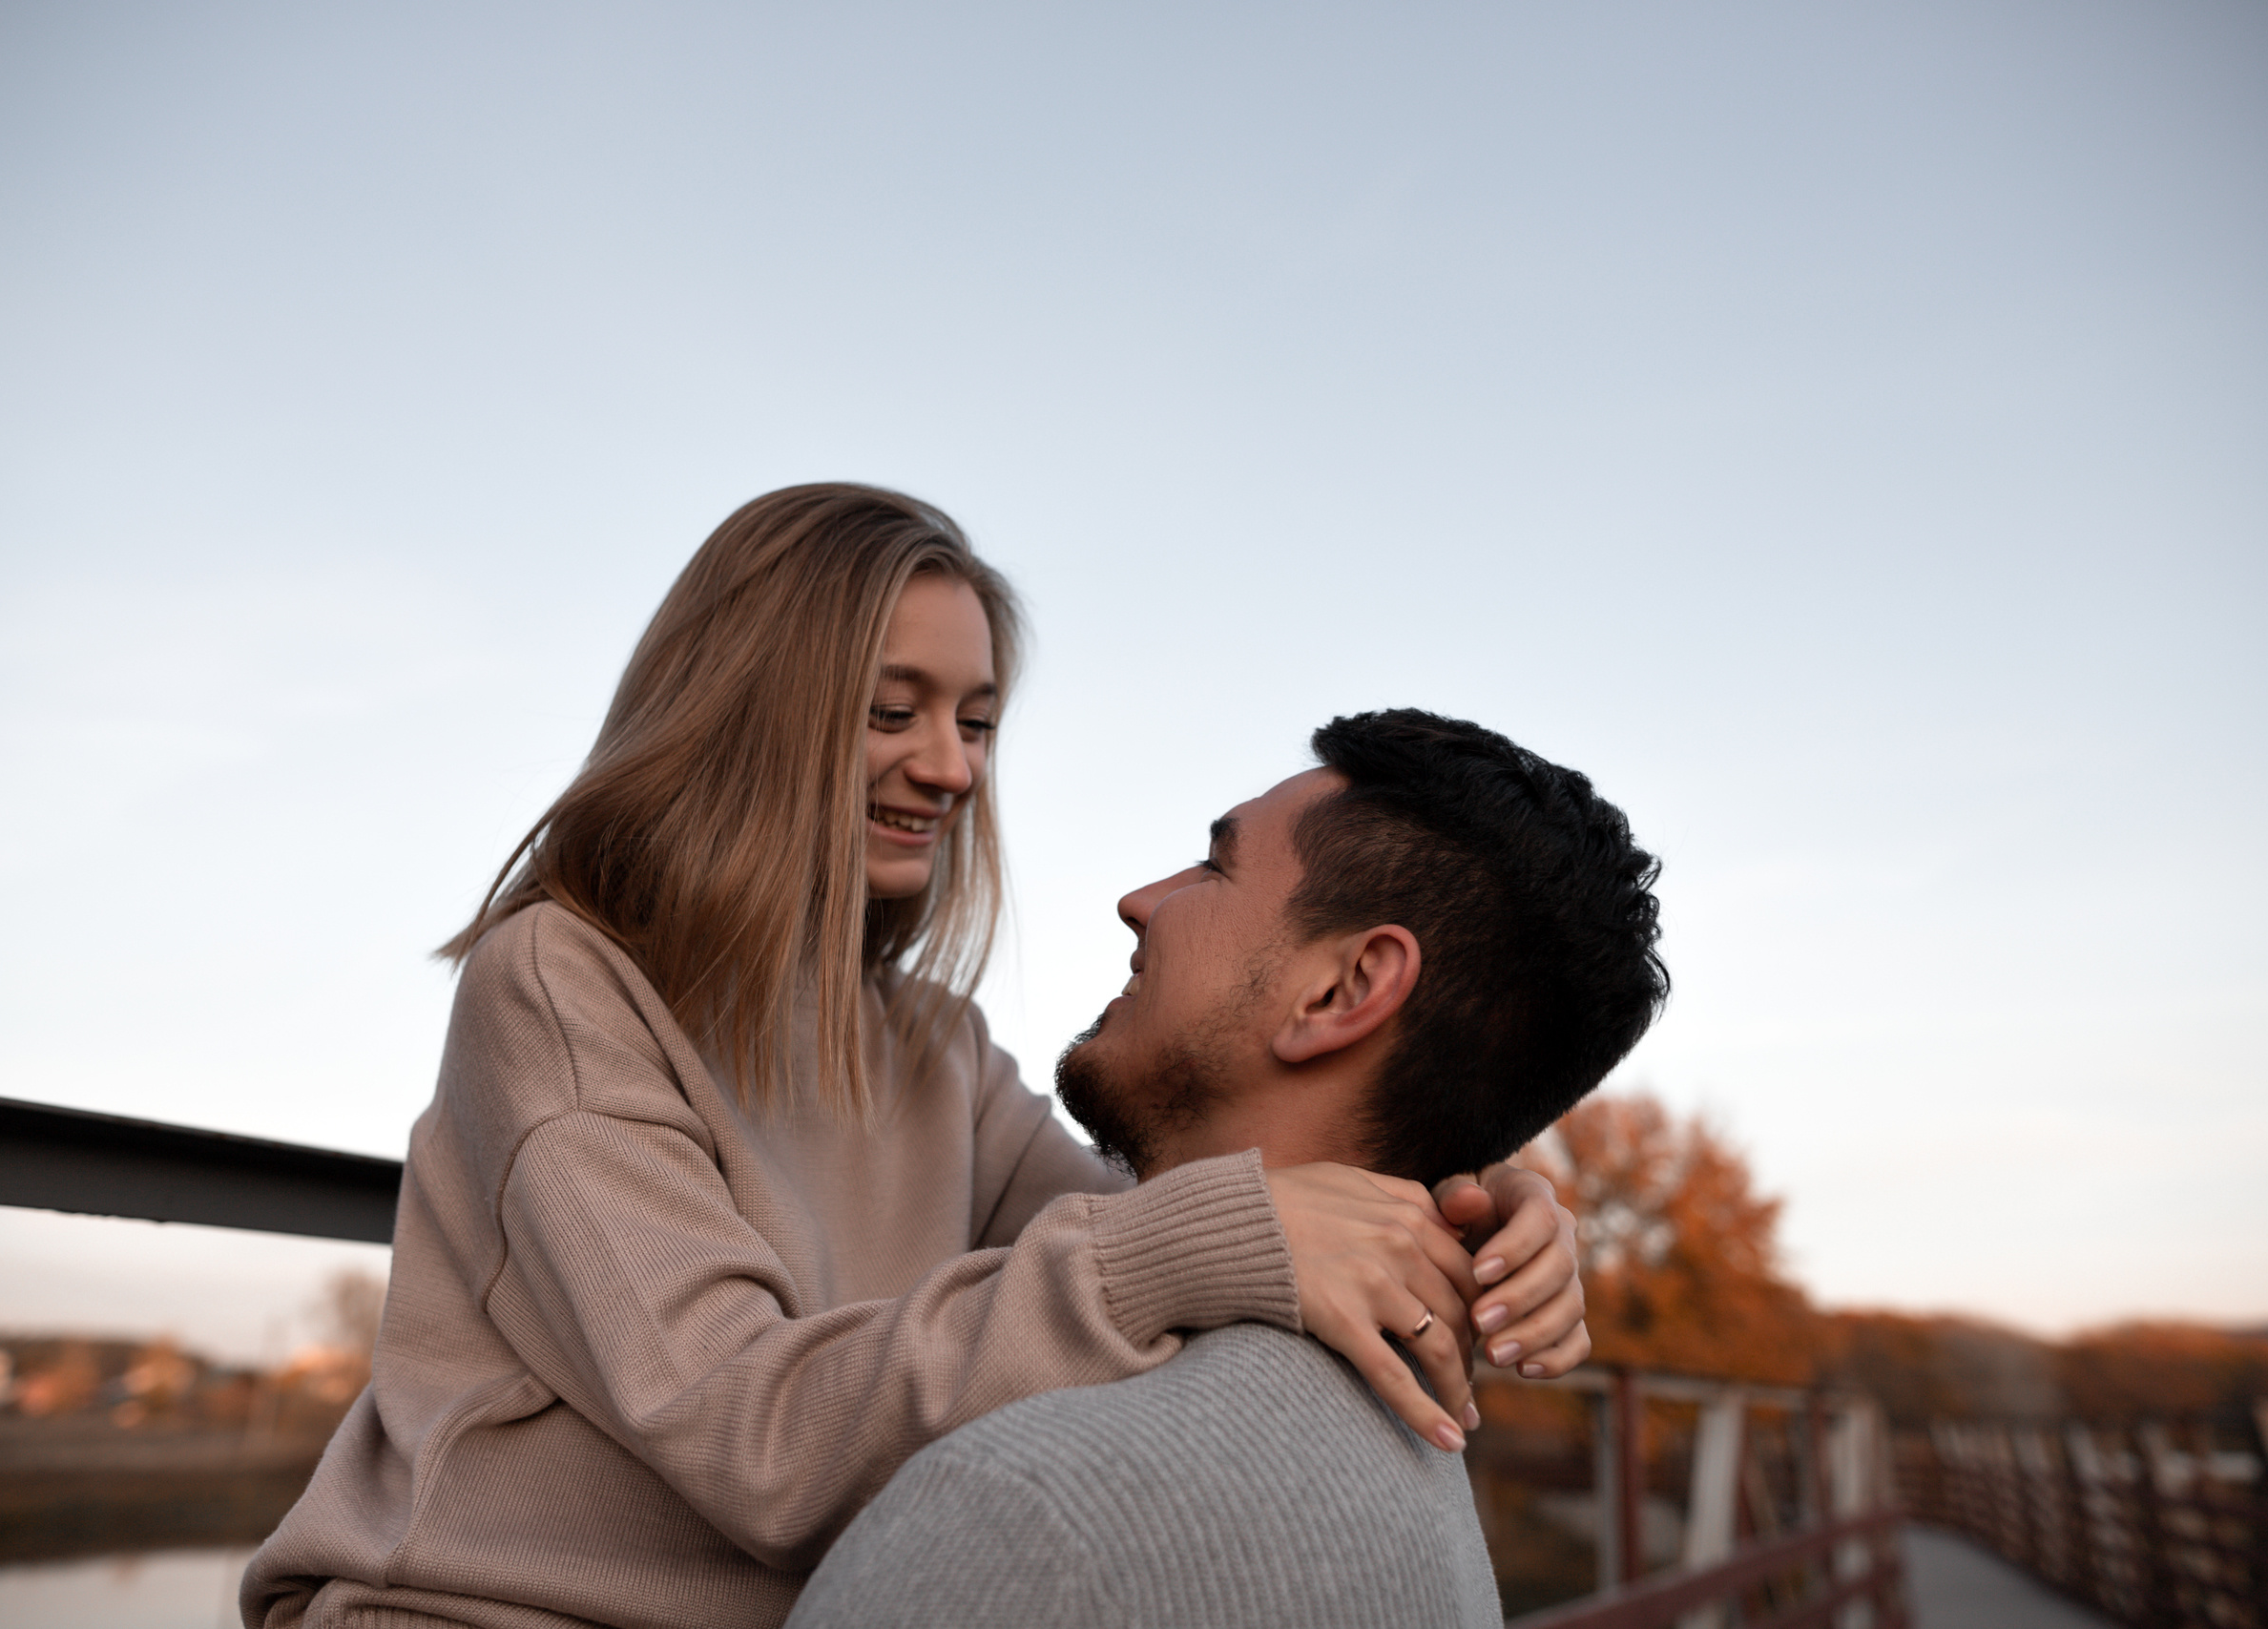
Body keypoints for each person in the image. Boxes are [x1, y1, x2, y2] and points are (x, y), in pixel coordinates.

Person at [241, 487, 1592, 1629]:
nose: (951, 766)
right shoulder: (558, 983)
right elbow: (747, 1429)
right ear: (747, 713)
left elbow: (1174, 1229)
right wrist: (1209, 1240)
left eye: (978, 721)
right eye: (895, 710)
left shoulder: (931, 1044)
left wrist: (1459, 1194)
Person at [787, 708, 1668, 1629]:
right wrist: (1470, 1189)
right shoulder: (1411, 1455)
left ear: (1342, 990)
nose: (1140, 897)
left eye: (1215, 867)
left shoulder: (1022, 1510)